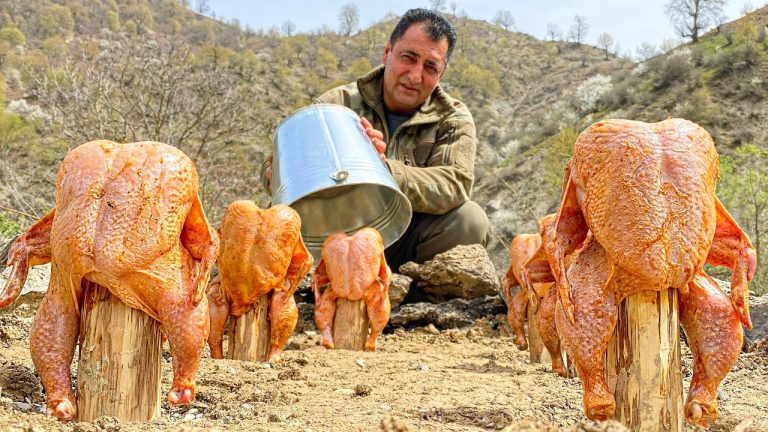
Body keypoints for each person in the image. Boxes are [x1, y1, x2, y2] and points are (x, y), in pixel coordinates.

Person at [261, 8, 490, 273]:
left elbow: (456, 183)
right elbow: (280, 171)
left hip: (408, 243)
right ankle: (298, 296)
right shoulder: (336, 104)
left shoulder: (453, 117)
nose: (415, 76)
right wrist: (276, 175)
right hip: (336, 237)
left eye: (430, 67)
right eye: (409, 57)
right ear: (387, 52)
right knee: (267, 220)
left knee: (470, 220)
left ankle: (415, 305)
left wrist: (385, 170)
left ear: (442, 73)